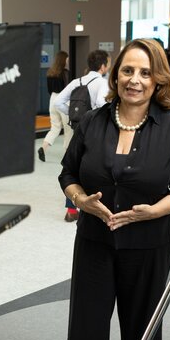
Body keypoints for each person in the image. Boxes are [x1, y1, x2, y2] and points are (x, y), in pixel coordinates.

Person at [51, 38, 170, 340]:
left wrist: (155, 210)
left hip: (148, 243)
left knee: (141, 324)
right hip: (95, 239)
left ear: (158, 80)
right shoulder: (93, 122)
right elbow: (68, 173)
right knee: (87, 321)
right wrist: (81, 200)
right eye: (128, 71)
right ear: (115, 75)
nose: (135, 80)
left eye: (145, 72)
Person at [54, 49, 110, 221]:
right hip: (95, 129)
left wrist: (74, 117)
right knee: (93, 165)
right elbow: (101, 102)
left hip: (77, 128)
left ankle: (71, 209)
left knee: (72, 166)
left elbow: (58, 102)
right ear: (103, 66)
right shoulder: (101, 82)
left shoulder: (76, 81)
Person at [38, 51, 70, 162]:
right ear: (63, 60)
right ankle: (67, 156)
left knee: (55, 127)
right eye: (67, 58)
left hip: (53, 99)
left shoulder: (50, 73)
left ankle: (43, 148)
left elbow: (49, 90)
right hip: (64, 100)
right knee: (68, 129)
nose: (68, 60)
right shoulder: (66, 73)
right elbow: (68, 90)